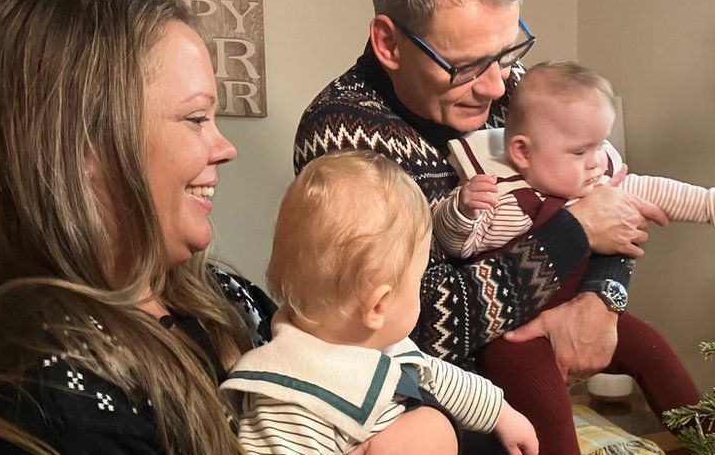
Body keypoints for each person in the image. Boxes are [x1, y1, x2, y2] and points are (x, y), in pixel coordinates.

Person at [0, 0, 456, 455]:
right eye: (196, 118)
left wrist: (430, 427)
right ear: (81, 150)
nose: (225, 148)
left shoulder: (225, 300)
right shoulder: (51, 396)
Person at [293, 0, 701, 453]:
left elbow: (608, 197)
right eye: (465, 65)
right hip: (430, 407)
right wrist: (573, 235)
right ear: (389, 43)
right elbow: (415, 323)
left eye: (509, 52)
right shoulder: (342, 135)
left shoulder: (516, 89)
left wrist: (603, 298)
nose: (496, 85)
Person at [221, 150, 538, 454]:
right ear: (378, 305)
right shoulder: (290, 399)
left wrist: (502, 414)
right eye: (417, 280)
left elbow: (441, 377)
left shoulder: (378, 346)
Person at [432, 60, 715, 259]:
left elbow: (659, 192)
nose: (595, 161)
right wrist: (462, 210)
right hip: (520, 331)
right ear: (522, 152)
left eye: (600, 144)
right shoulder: (500, 198)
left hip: (585, 306)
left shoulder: (598, 180)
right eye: (579, 152)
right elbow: (458, 246)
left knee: (656, 353)